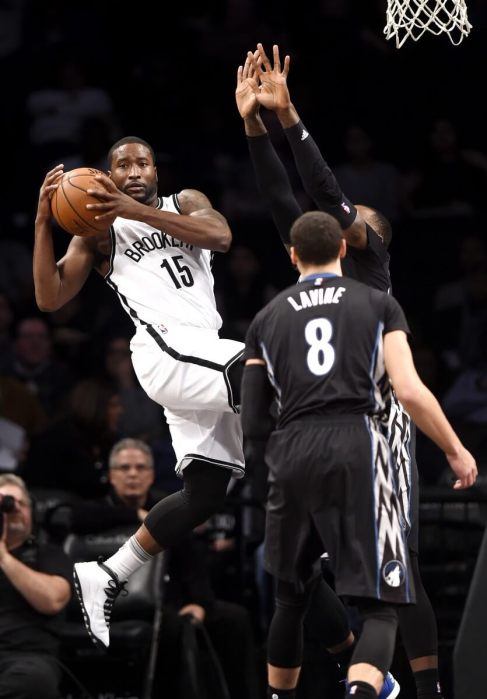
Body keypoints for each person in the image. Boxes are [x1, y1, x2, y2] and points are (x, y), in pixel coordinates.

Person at [235, 42, 461, 699]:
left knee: (399, 571)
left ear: (367, 235)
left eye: (355, 216)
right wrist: (254, 122)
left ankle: (422, 685)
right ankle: (361, 670)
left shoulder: (369, 261)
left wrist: (286, 115)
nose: (344, 214)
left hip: (378, 422)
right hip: (343, 427)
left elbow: (324, 197)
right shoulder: (320, 264)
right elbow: (282, 193)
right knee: (314, 581)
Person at [240, 210, 477, 699]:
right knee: (383, 604)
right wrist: (454, 449)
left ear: (292, 254)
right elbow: (409, 392)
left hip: (290, 451)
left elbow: (253, 420)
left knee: (291, 600)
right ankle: (364, 691)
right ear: (344, 249)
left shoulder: (265, 318)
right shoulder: (376, 303)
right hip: (356, 444)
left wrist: (265, 473)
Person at [33, 136, 245, 646]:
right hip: (166, 351)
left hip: (204, 352)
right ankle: (327, 508)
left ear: (156, 171)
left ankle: (107, 573)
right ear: (105, 175)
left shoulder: (185, 203)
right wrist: (44, 222)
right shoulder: (99, 233)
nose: (132, 171)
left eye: (142, 163)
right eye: (121, 165)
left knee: (205, 494)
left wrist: (137, 211)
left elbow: (220, 236)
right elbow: (49, 296)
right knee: (268, 375)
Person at [69, 437, 261, 699]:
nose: (133, 474)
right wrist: (135, 516)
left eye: (140, 468)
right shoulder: (95, 509)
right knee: (172, 629)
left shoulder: (169, 507)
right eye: (124, 468)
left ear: (151, 475)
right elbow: (75, 518)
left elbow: (192, 561)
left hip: (169, 598)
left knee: (234, 619)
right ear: (112, 476)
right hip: (116, 603)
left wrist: (201, 603)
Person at [0, 473, 72, 699]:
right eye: (7, 504)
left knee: (32, 683)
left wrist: (3, 556)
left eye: (22, 504)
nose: (15, 509)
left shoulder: (49, 554)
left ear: (32, 513)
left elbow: (52, 600)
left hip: (27, 656)